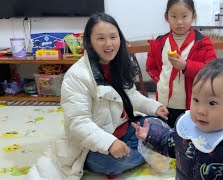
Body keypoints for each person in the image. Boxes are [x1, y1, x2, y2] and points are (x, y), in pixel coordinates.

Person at [25, 13, 168, 180]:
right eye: (101, 38)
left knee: (158, 124)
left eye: (113, 37)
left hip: (124, 129)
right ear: (90, 42)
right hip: (92, 147)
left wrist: (155, 107)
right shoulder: (77, 75)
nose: (109, 44)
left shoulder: (119, 64)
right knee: (113, 163)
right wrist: (110, 143)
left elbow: (133, 97)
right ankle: (146, 149)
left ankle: (140, 149)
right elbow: (78, 122)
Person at [146, 0, 217, 128]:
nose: (179, 22)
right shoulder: (160, 43)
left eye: (184, 16)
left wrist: (186, 66)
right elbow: (151, 67)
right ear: (166, 17)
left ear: (193, 17)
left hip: (190, 105)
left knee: (186, 137)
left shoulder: (202, 43)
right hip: (164, 103)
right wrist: (162, 82)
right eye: (174, 16)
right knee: (165, 135)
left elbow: (212, 71)